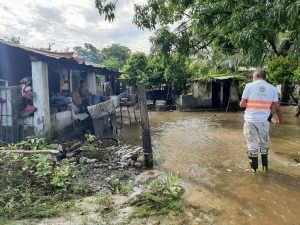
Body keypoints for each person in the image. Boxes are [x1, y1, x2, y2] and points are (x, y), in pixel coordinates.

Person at [240, 70, 283, 173]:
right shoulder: (272, 88)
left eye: (253, 76)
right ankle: (265, 168)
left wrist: (252, 106)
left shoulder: (249, 86)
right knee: (264, 144)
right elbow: (277, 108)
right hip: (264, 121)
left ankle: (254, 170)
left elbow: (242, 104)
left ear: (257, 75)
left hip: (250, 120)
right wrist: (279, 120)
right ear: (265, 77)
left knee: (252, 145)